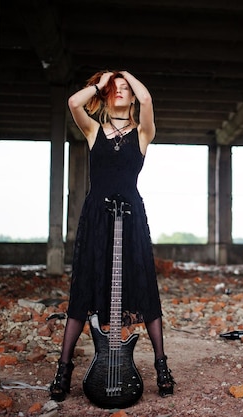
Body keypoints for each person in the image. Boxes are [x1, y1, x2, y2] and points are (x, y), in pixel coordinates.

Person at [49, 70, 175, 401]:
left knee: (143, 283)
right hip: (97, 217)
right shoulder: (92, 130)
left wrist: (126, 76)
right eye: (114, 89)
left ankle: (162, 365)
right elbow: (73, 102)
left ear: (132, 96)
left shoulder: (143, 133)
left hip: (131, 216)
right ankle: (64, 370)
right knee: (85, 286)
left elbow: (147, 99)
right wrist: (99, 83)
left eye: (125, 89)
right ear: (106, 94)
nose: (120, 92)